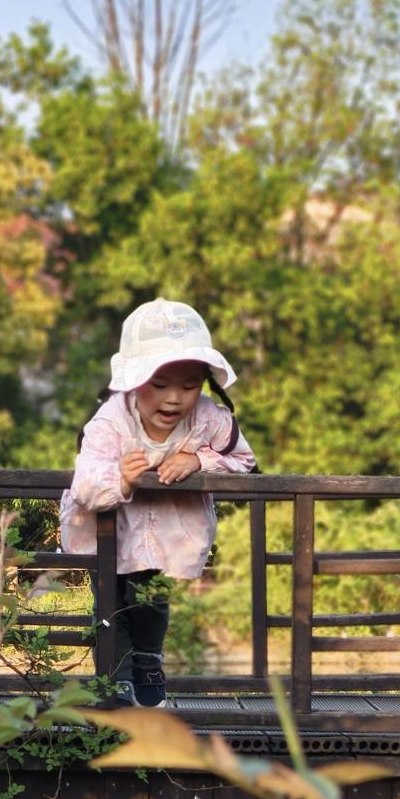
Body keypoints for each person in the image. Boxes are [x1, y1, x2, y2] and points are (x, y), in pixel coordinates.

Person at [60, 299, 255, 708]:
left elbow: (245, 461)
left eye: (188, 386)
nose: (174, 399)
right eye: (160, 384)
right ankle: (115, 683)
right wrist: (123, 477)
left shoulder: (209, 419)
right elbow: (86, 483)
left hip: (164, 532)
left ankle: (148, 664)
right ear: (133, 380)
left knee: (150, 598)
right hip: (108, 529)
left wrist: (199, 459)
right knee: (111, 603)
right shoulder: (111, 420)